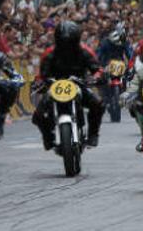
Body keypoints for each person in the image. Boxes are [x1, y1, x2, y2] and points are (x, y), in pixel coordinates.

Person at [32, 21, 105, 149]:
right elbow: (41, 74)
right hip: (55, 86)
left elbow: (97, 69)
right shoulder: (49, 53)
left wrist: (95, 78)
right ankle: (47, 136)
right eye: (63, 42)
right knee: (38, 114)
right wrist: (40, 82)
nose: (67, 46)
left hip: (79, 84)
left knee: (98, 104)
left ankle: (93, 134)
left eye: (70, 42)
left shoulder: (85, 51)